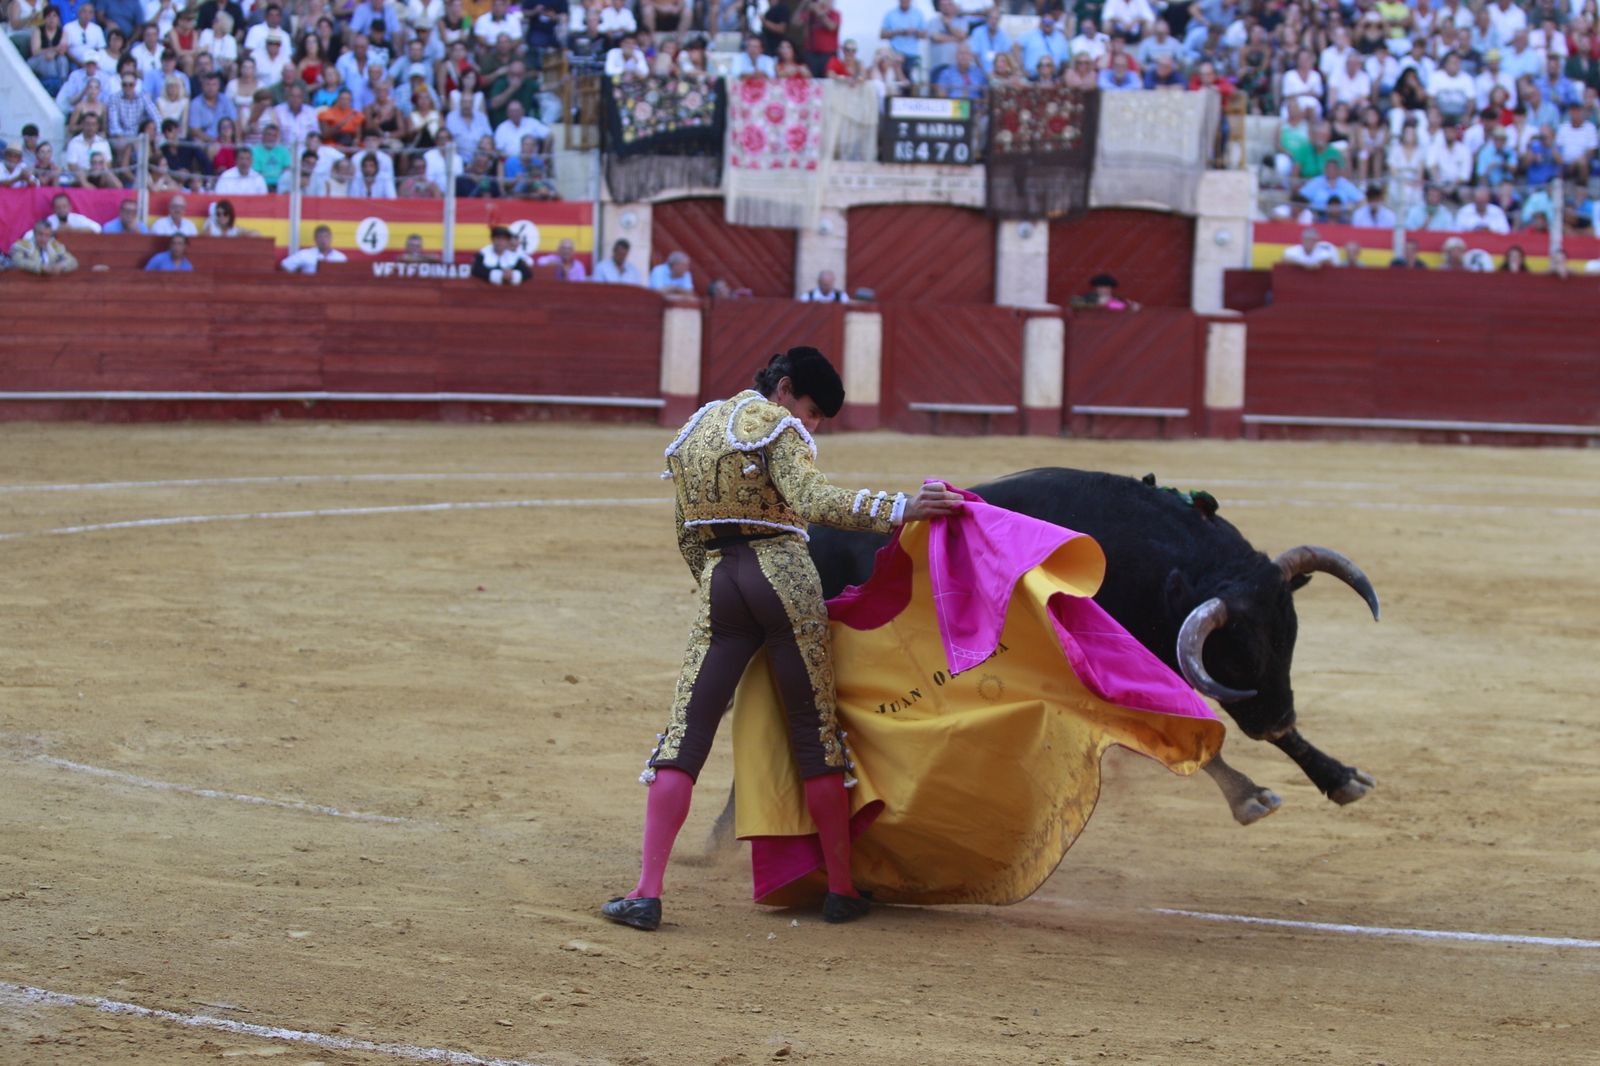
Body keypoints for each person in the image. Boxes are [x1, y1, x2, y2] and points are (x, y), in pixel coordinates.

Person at [601, 347, 964, 932]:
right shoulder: (780, 426)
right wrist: (903, 508)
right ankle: (841, 889)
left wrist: (719, 598)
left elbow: (685, 532)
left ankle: (646, 892)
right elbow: (817, 503)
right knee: (813, 731)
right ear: (785, 387)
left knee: (685, 735)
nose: (812, 423)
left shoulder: (695, 431)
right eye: (813, 410)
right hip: (786, 578)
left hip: (721, 580)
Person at [9, 219, 79, 275]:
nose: (43, 239)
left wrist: (62, 266)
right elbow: (17, 261)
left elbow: (72, 261)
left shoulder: (55, 246)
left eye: (47, 235)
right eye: (40, 234)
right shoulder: (22, 246)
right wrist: (40, 268)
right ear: (34, 233)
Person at [280, 223, 349, 273]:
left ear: (330, 238)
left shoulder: (340, 257)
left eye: (326, 237)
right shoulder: (305, 254)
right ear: (315, 239)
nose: (323, 240)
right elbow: (285, 265)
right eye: (320, 237)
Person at [1070, 272, 1141, 311]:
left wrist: (1131, 306)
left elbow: (1125, 306)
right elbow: (1074, 303)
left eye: (1107, 287)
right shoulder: (1088, 297)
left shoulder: (1117, 299)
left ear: (1111, 288)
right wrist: (1097, 304)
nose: (1104, 290)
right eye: (1101, 287)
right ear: (1096, 288)